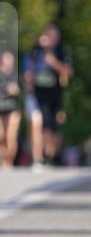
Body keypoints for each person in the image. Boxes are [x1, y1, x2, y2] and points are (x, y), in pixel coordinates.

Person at [23, 23, 73, 171]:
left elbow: (68, 71)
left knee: (53, 129)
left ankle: (52, 156)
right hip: (38, 96)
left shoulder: (61, 52)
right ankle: (40, 157)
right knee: (41, 125)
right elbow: (27, 73)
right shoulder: (35, 53)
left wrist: (53, 62)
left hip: (55, 95)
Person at [0, 50, 21, 168]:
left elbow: (18, 91)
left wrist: (14, 90)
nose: (4, 63)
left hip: (10, 109)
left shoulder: (15, 76)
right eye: (2, 60)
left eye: (7, 60)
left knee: (9, 136)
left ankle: (8, 161)